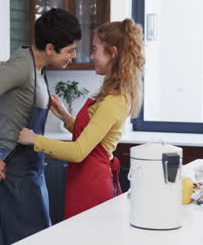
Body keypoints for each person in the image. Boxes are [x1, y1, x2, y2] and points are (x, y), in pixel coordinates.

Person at [0, 8, 81, 245]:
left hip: (32, 168)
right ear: (50, 48)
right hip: (15, 168)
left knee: (37, 241)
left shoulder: (38, 67)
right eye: (69, 50)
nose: (74, 55)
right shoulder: (20, 67)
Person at [17, 18, 144, 219]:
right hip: (83, 181)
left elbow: (78, 152)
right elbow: (94, 138)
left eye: (95, 50)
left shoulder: (115, 99)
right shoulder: (111, 92)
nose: (91, 56)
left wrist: (34, 140)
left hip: (92, 187)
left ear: (112, 53)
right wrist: (66, 118)